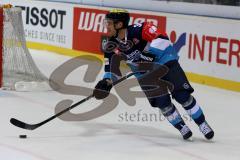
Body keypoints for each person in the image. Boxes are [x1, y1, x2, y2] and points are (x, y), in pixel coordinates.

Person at [93, 8, 214, 140]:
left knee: (183, 96)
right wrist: (107, 82)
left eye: (109, 23)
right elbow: (111, 70)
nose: (106, 26)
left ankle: (202, 123)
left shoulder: (140, 29)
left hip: (164, 61)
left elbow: (162, 38)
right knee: (162, 103)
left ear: (119, 24)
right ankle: (181, 127)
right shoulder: (110, 45)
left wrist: (150, 54)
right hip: (144, 73)